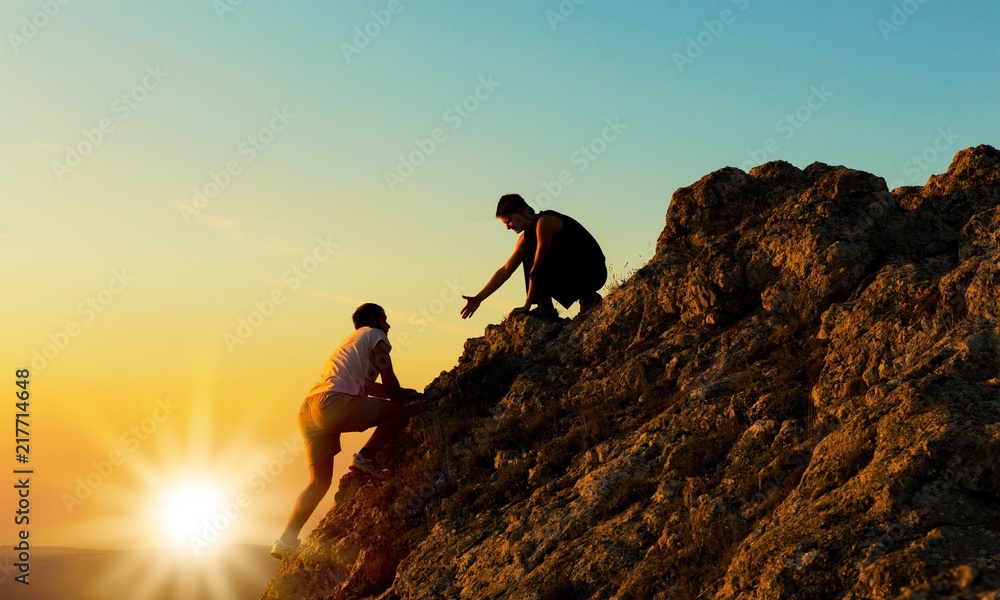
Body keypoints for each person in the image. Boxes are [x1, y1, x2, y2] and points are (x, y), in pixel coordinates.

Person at [270, 303, 422, 559]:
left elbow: (369, 389)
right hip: (333, 404)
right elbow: (388, 377)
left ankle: (286, 540)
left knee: (318, 483)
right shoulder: (376, 336)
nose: (389, 325)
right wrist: (404, 401)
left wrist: (401, 392)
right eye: (385, 319)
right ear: (374, 319)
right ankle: (365, 457)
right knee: (399, 412)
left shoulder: (351, 342)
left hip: (309, 409)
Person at [461, 194, 607, 321]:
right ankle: (573, 302)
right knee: (527, 257)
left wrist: (527, 305)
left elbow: (537, 269)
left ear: (519, 212)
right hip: (572, 272)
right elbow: (506, 270)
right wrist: (478, 298)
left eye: (508, 221)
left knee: (535, 264)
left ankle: (557, 306)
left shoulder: (546, 221)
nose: (508, 227)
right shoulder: (525, 239)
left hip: (593, 272)